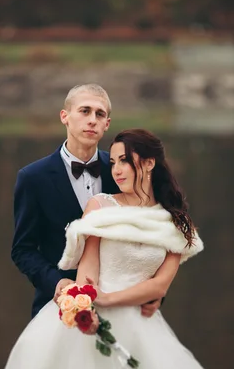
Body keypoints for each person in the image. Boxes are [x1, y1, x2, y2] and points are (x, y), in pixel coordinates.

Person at [0, 129, 213, 369]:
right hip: (92, 314)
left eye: (124, 160)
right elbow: (88, 265)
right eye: (112, 163)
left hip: (139, 322)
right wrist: (86, 307)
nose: (117, 170)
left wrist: (111, 299)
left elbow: (160, 284)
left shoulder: (175, 222)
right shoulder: (100, 205)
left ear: (148, 163)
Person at [11, 84, 162, 319]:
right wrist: (57, 283)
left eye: (99, 114)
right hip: (59, 307)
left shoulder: (123, 171)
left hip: (123, 306)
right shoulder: (32, 178)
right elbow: (23, 249)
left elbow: (148, 236)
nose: (92, 120)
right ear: (65, 117)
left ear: (107, 124)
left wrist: (155, 291)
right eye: (84, 111)